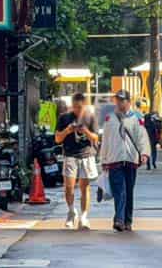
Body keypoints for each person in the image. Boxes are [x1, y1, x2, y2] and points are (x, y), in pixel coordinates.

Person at [99, 89, 151, 232]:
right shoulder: (110, 119)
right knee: (119, 191)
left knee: (128, 191)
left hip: (131, 159)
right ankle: (119, 220)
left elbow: (142, 137)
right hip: (114, 160)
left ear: (128, 101)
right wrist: (103, 159)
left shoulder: (136, 118)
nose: (120, 102)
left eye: (122, 100)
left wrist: (144, 153)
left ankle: (128, 220)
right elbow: (106, 140)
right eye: (118, 100)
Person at [54, 92, 99, 229]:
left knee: (85, 187)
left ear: (84, 106)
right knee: (69, 186)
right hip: (70, 155)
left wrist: (86, 131)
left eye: (80, 107)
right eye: (74, 107)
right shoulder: (64, 118)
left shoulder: (90, 118)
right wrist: (67, 131)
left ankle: (84, 216)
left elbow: (96, 138)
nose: (77, 110)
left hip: (86, 155)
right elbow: (57, 139)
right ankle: (72, 211)